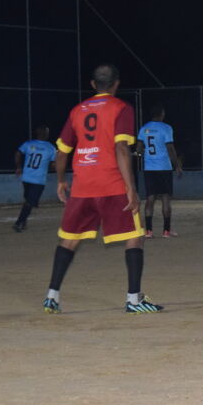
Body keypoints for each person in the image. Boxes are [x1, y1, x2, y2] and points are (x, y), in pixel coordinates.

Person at [44, 64, 162, 314]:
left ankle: (52, 295)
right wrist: (130, 187)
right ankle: (133, 299)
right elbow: (121, 149)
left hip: (83, 185)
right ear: (117, 83)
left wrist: (62, 181)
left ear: (93, 84)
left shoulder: (77, 110)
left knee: (69, 239)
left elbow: (62, 151)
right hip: (111, 184)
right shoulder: (122, 108)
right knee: (135, 236)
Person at [136, 103, 182, 238]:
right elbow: (170, 148)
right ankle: (166, 231)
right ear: (162, 114)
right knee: (166, 198)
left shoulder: (144, 129)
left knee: (150, 199)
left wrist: (144, 153)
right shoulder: (166, 128)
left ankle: (148, 231)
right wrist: (177, 165)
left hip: (149, 168)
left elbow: (139, 150)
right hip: (164, 167)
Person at [13, 125, 57, 232]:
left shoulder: (29, 144)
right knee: (30, 202)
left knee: (28, 201)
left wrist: (19, 167)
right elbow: (54, 164)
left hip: (26, 178)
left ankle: (22, 221)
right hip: (38, 180)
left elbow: (18, 153)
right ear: (46, 134)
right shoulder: (50, 148)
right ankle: (19, 222)